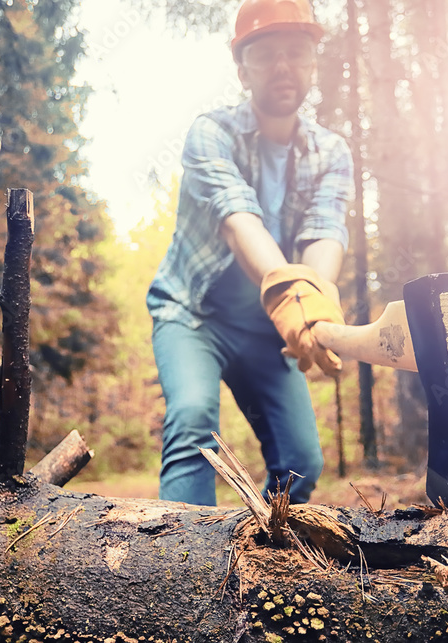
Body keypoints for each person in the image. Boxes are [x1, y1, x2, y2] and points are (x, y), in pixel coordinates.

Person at [146, 0, 353, 506]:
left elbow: (324, 234)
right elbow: (240, 224)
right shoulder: (210, 134)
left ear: (312, 64)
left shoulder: (332, 152)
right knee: (194, 418)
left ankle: (261, 550)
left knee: (302, 463)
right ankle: (180, 565)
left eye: (297, 52)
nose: (283, 66)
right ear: (242, 70)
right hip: (194, 315)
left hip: (266, 327)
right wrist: (291, 294)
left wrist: (313, 306)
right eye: (266, 55)